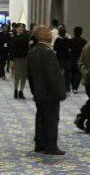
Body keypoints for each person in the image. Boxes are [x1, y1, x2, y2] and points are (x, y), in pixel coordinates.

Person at [28, 25, 67, 156]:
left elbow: (30, 76)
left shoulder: (32, 51)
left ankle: (39, 144)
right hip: (50, 94)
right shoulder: (48, 52)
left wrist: (34, 91)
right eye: (48, 32)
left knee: (40, 119)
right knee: (51, 120)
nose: (51, 33)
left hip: (39, 92)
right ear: (43, 35)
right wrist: (61, 92)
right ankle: (51, 146)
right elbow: (53, 76)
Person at [11, 22, 30, 99]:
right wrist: (11, 58)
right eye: (20, 27)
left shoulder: (25, 37)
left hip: (24, 58)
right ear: (16, 28)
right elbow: (12, 48)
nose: (21, 29)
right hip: (17, 58)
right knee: (17, 76)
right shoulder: (14, 37)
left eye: (22, 27)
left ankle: (21, 91)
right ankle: (15, 90)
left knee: (24, 76)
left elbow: (27, 47)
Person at [53, 25, 72, 92]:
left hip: (59, 59)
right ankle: (67, 88)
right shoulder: (68, 40)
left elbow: (55, 49)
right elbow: (70, 49)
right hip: (67, 59)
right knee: (67, 74)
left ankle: (58, 87)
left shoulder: (57, 40)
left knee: (58, 74)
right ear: (65, 33)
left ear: (59, 33)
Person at [69, 26, 86, 93]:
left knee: (72, 73)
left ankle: (73, 86)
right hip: (80, 59)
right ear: (81, 32)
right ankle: (75, 87)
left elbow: (69, 50)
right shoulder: (84, 41)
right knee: (79, 74)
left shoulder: (70, 40)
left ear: (74, 32)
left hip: (72, 58)